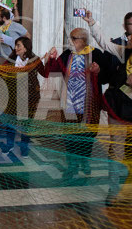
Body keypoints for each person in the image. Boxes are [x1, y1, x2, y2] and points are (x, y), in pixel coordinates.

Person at [44, 26, 110, 177]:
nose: (70, 41)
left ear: (83, 40)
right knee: (69, 134)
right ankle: (72, 165)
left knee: (88, 133)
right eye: (70, 38)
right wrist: (51, 58)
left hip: (89, 102)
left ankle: (85, 160)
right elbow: (54, 71)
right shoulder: (68, 54)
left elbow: (107, 76)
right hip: (70, 101)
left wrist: (98, 71)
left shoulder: (96, 54)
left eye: (73, 38)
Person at [83, 11, 132, 203]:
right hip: (118, 106)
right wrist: (92, 23)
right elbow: (104, 43)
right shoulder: (123, 52)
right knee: (116, 148)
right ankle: (113, 188)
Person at [1, 37, 45, 157]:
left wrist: (50, 59)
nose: (16, 48)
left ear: (26, 48)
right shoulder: (11, 60)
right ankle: (9, 144)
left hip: (30, 96)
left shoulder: (35, 60)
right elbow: (1, 70)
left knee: (26, 123)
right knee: (10, 120)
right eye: (15, 45)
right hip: (12, 95)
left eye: (18, 45)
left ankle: (24, 147)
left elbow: (45, 73)